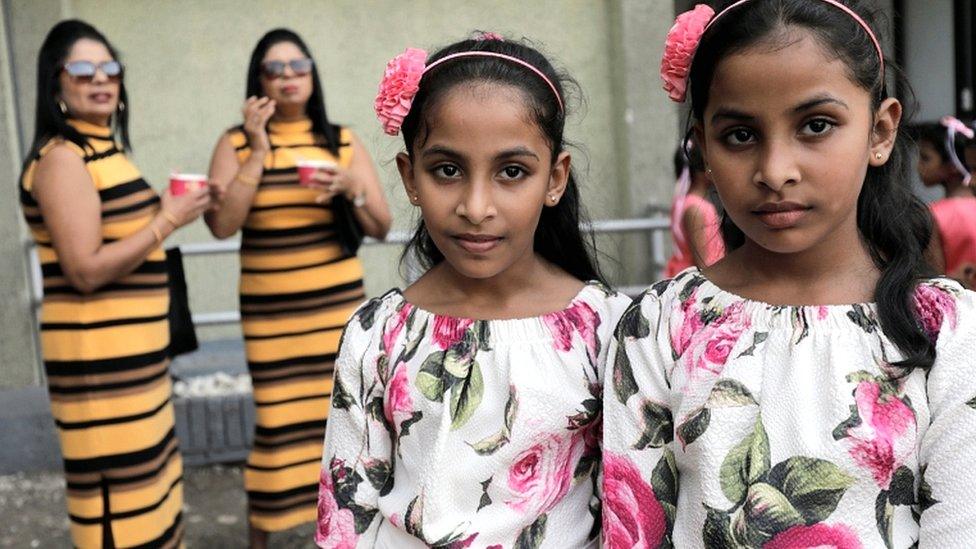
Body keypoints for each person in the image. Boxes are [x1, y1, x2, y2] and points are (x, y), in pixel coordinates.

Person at [603, 1, 976, 547]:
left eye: (815, 126)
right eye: (739, 135)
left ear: (880, 131)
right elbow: (634, 530)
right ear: (703, 145)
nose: (775, 171)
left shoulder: (948, 332)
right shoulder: (661, 325)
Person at [315, 33, 631, 548]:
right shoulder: (378, 336)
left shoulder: (611, 330)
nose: (476, 206)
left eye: (511, 172)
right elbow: (346, 517)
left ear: (555, 178)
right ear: (409, 176)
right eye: (447, 170)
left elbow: (630, 515)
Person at [18, 19, 210, 548]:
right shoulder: (62, 157)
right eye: (82, 69)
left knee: (150, 498)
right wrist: (168, 219)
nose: (100, 79)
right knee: (121, 515)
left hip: (134, 364)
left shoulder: (103, 149)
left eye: (110, 68)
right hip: (98, 369)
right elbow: (84, 269)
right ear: (54, 81)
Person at [205, 28, 391, 547]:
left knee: (342, 422)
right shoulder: (236, 142)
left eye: (299, 65)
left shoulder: (342, 141)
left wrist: (351, 187)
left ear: (313, 74)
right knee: (277, 426)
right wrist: (258, 151)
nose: (289, 76)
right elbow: (222, 225)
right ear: (258, 81)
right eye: (275, 68)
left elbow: (379, 224)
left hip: (333, 310)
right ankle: (261, 536)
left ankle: (344, 531)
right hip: (271, 315)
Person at [915, 118, 976, 283]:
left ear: (952, 164)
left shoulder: (933, 215)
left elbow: (935, 281)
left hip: (958, 305)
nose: (918, 166)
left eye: (926, 158)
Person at [663, 141, 725, 277]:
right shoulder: (696, 208)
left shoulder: (683, 202)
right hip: (700, 281)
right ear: (700, 171)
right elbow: (702, 262)